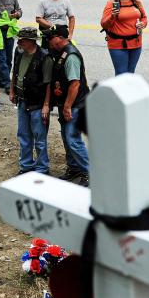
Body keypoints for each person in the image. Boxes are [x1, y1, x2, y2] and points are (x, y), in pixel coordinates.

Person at [44, 25, 91, 185]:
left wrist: (67, 107)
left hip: (75, 105)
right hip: (67, 103)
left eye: (51, 37)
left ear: (60, 38)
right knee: (66, 136)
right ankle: (74, 168)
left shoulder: (71, 56)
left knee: (73, 139)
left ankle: (89, 172)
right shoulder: (58, 53)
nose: (48, 39)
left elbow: (75, 84)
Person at [9, 27, 51, 175]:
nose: (19, 42)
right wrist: (12, 90)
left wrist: (46, 105)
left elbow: (48, 84)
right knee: (24, 136)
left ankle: (42, 168)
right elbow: (15, 72)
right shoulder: (19, 52)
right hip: (22, 101)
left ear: (31, 41)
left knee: (39, 138)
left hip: (37, 104)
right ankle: (26, 166)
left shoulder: (44, 57)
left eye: (22, 40)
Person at [101, 0, 147, 75]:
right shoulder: (111, 3)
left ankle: (128, 90)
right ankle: (120, 90)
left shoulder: (136, 2)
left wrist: (143, 24)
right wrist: (112, 16)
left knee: (130, 73)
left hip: (136, 43)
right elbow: (104, 24)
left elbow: (144, 18)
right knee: (121, 74)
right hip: (118, 45)